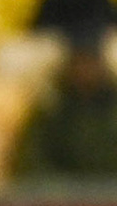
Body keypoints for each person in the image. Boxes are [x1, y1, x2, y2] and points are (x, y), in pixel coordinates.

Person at [12, 37, 117, 178]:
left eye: (90, 62)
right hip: (59, 189)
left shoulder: (112, 110)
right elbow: (32, 160)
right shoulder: (50, 110)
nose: (85, 70)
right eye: (79, 63)